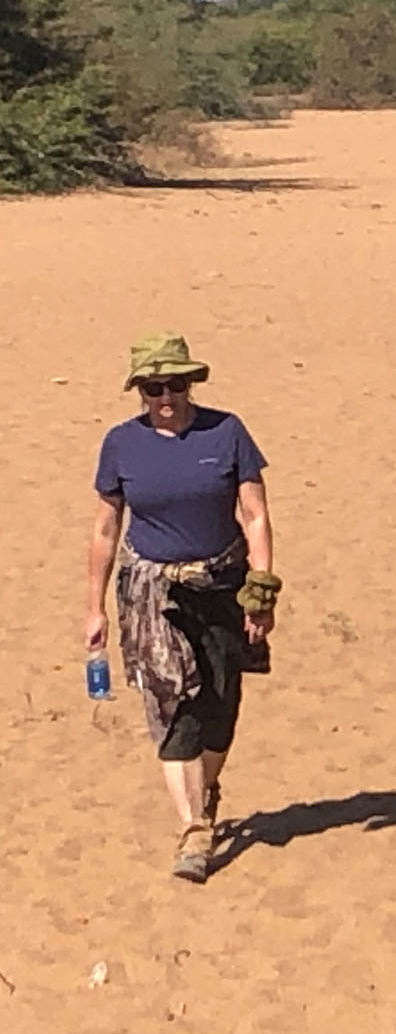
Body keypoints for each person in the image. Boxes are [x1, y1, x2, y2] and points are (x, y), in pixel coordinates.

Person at [85, 333, 281, 883]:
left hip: (222, 585)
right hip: (151, 592)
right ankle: (194, 829)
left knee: (220, 702)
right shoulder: (121, 444)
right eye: (154, 388)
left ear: (191, 383)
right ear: (139, 391)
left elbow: (255, 514)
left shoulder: (227, 432)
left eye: (175, 385)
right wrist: (95, 608)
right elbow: (105, 529)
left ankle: (206, 786)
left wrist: (261, 589)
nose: (165, 397)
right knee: (173, 704)